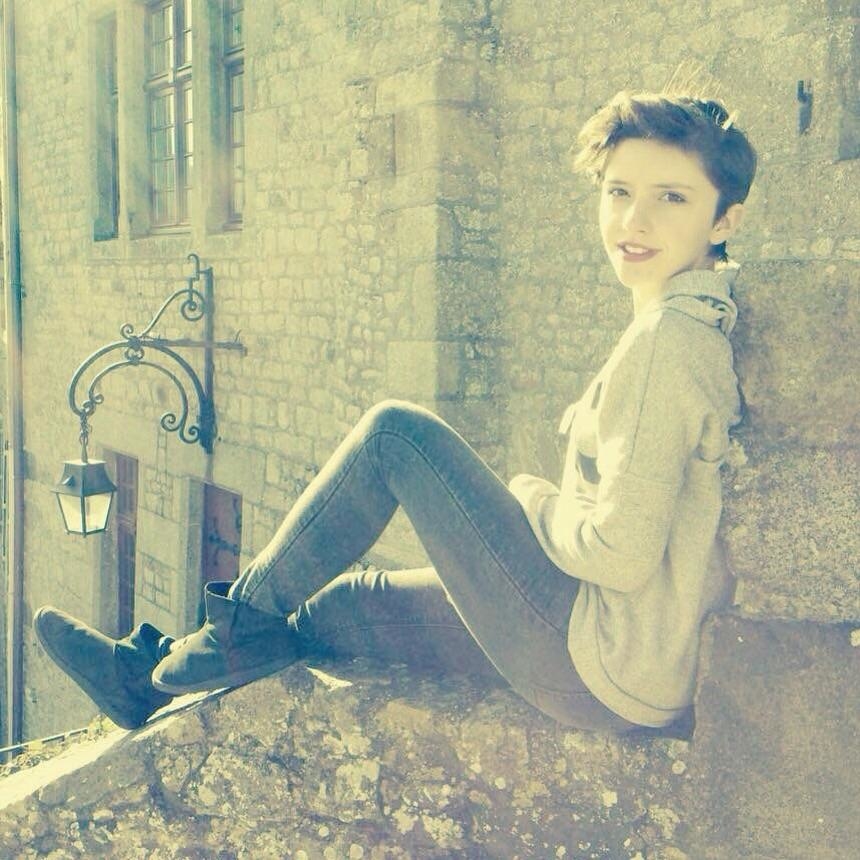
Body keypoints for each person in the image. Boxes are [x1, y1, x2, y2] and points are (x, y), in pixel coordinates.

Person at [33, 82, 757, 736]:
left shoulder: (668, 339)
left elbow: (620, 554)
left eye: (672, 198)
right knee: (343, 609)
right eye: (619, 191)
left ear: (724, 220)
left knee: (395, 436)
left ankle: (225, 632)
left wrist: (534, 501)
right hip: (622, 661)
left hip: (600, 662)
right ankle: (149, 680)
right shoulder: (687, 323)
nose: (634, 219)